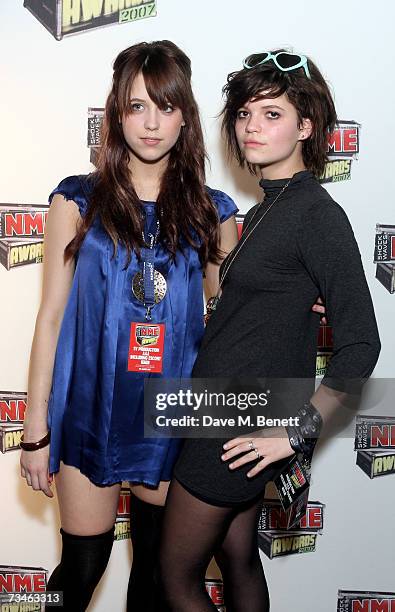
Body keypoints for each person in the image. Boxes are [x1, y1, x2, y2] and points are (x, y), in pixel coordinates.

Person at [19, 40, 240, 612]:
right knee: (82, 567)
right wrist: (35, 430)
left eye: (165, 107)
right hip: (88, 409)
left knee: (155, 579)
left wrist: (299, 302)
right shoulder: (77, 201)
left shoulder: (212, 213)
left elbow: (233, 311)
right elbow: (49, 320)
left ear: (185, 116)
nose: (151, 123)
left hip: (170, 415)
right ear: (116, 113)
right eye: (137, 106)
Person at [160, 50, 381, 611]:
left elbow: (360, 342)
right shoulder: (265, 210)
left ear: (306, 126)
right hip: (234, 408)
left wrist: (294, 432)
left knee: (176, 576)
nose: (252, 126)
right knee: (237, 559)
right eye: (244, 114)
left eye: (272, 114)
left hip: (237, 425)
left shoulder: (315, 214)